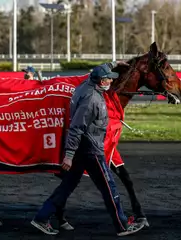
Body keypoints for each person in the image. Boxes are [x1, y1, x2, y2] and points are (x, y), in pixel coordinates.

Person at [30, 61, 146, 236]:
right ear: (100, 82)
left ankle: (41, 217)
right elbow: (76, 127)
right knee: (109, 188)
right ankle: (122, 226)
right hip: (91, 150)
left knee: (67, 186)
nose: (112, 82)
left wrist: (113, 64)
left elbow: (97, 71)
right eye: (108, 79)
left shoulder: (85, 85)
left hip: (83, 149)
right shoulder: (92, 99)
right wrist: (68, 155)